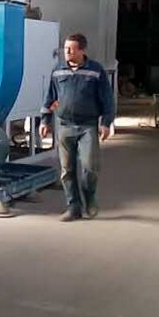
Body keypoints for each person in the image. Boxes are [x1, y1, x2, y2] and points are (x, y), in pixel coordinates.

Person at [39, 33, 115, 222]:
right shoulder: (58, 71)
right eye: (65, 48)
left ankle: (89, 197)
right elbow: (50, 97)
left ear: (82, 50)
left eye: (71, 49)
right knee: (67, 170)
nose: (67, 52)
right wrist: (44, 121)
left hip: (87, 126)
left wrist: (106, 123)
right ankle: (73, 207)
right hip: (64, 126)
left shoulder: (95, 71)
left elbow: (107, 98)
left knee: (90, 167)